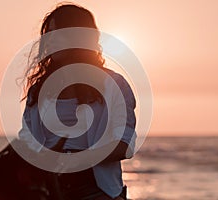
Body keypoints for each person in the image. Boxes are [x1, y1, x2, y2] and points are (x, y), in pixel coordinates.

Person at [19, 3, 136, 200]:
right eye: (48, 34)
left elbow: (124, 145)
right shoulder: (38, 91)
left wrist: (76, 160)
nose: (51, 41)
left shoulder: (113, 84)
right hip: (47, 188)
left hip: (97, 189)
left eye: (58, 34)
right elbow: (27, 142)